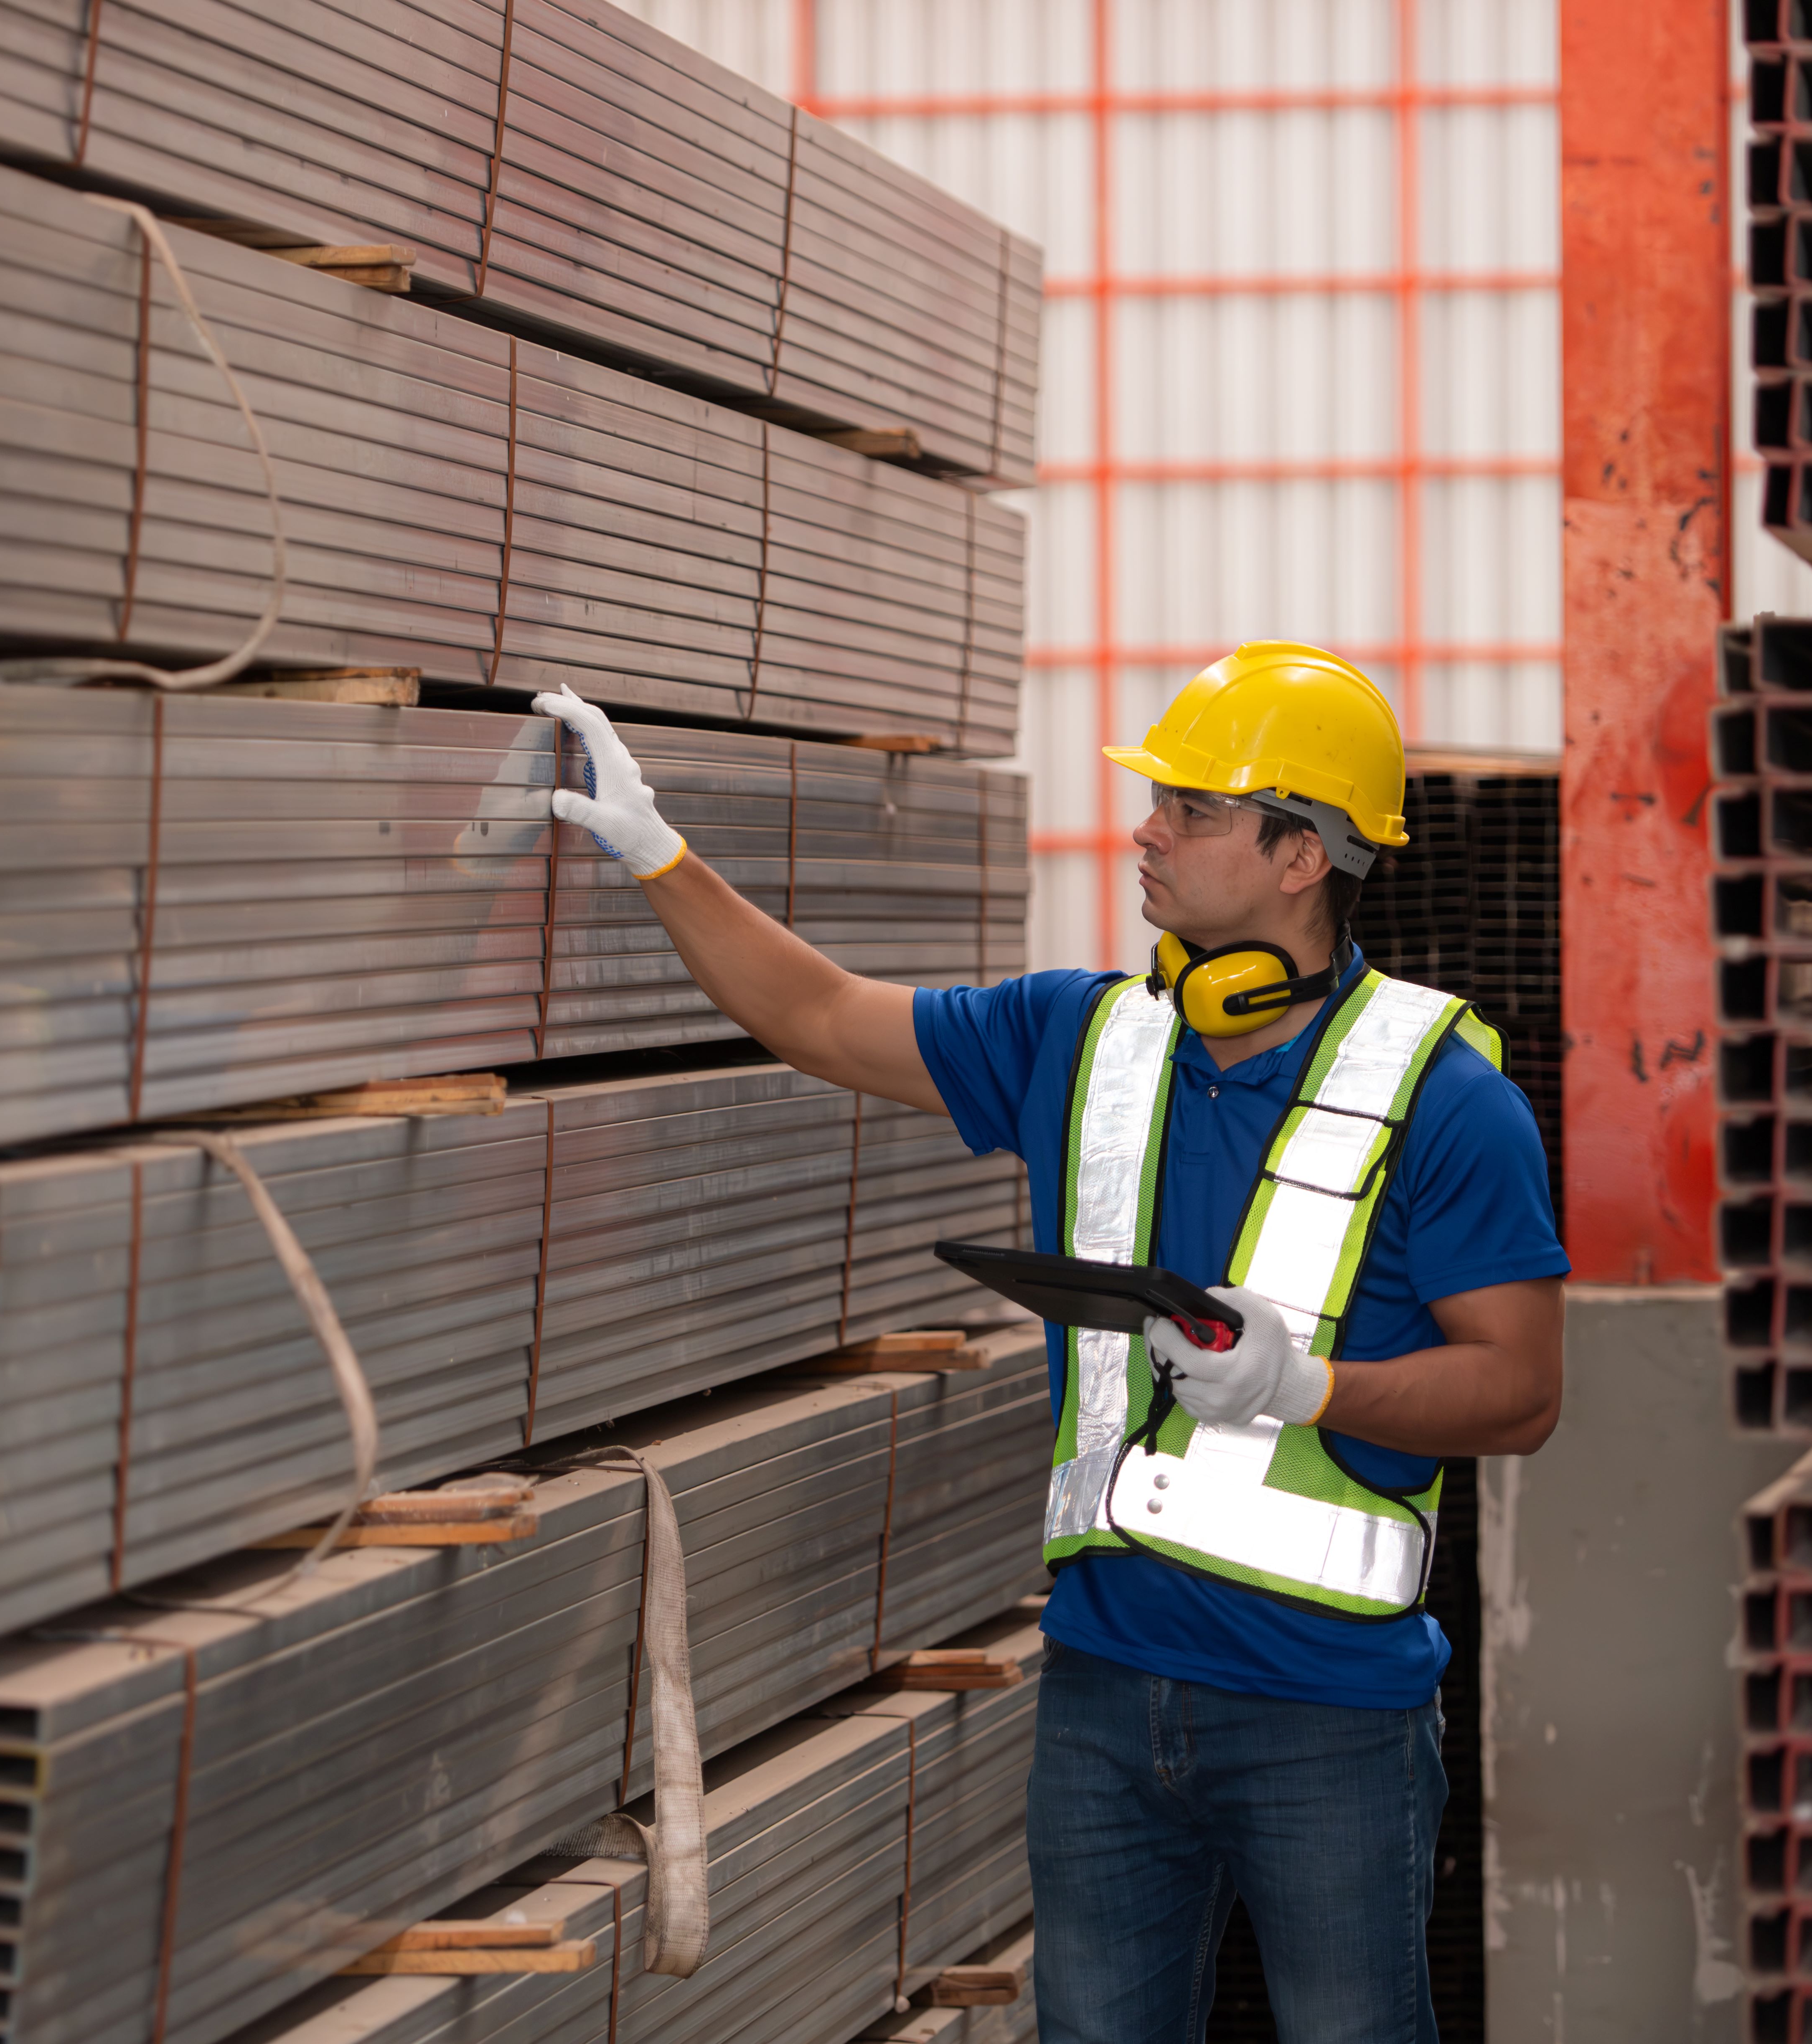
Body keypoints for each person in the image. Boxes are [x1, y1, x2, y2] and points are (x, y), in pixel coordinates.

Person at [532, 642, 1565, 2044]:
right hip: (1100, 1694)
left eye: (1190, 809)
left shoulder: (1447, 1101)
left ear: (1301, 857)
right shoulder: (1081, 1040)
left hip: (1328, 1721)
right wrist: (661, 855)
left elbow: (1520, 1389)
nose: (1148, 829)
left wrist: (1308, 1383)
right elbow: (823, 1017)